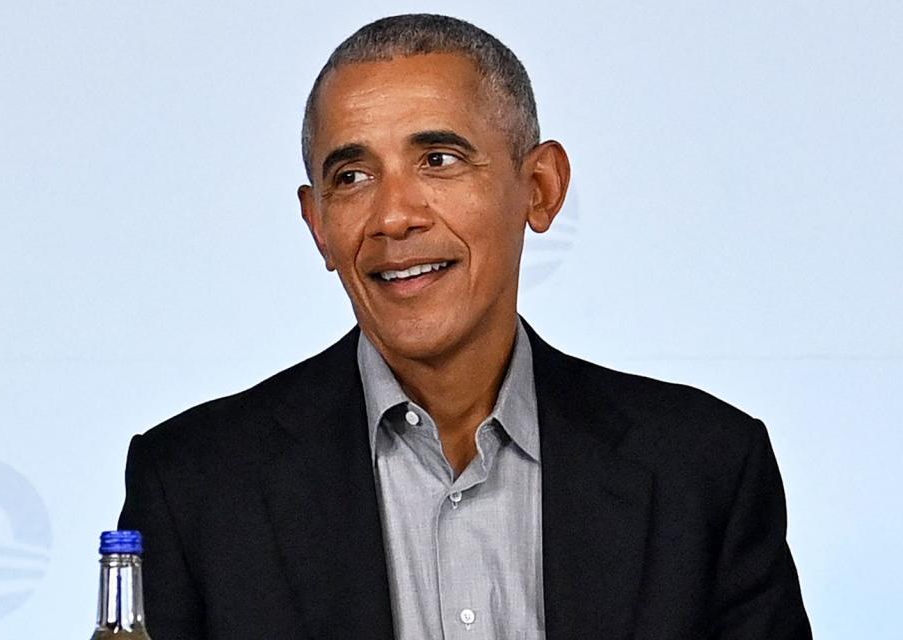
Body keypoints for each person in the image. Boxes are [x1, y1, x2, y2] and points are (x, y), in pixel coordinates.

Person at [118, 13, 812, 640]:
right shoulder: (194, 488)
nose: (394, 216)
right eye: (353, 176)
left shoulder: (705, 470)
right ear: (318, 226)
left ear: (540, 188)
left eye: (439, 161)